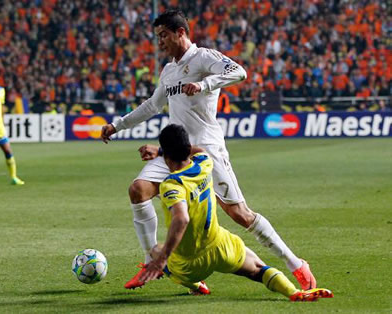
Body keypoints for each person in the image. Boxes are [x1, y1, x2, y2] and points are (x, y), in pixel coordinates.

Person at [101, 10, 316, 290]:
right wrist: (117, 126)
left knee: (240, 214)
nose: (160, 42)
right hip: (174, 152)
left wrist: (205, 84)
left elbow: (239, 71)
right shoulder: (169, 71)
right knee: (138, 190)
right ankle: (151, 261)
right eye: (157, 37)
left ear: (180, 32)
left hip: (206, 149)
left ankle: (295, 263)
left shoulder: (203, 57)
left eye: (163, 35)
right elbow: (152, 106)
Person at [139, 124, 333, 301]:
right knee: (258, 270)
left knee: (156, 251)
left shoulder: (171, 184)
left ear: (166, 157)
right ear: (187, 147)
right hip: (219, 245)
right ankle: (294, 292)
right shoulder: (204, 163)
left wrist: (161, 259)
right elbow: (198, 149)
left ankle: (196, 285)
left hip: (189, 264)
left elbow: (181, 219)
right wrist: (165, 150)